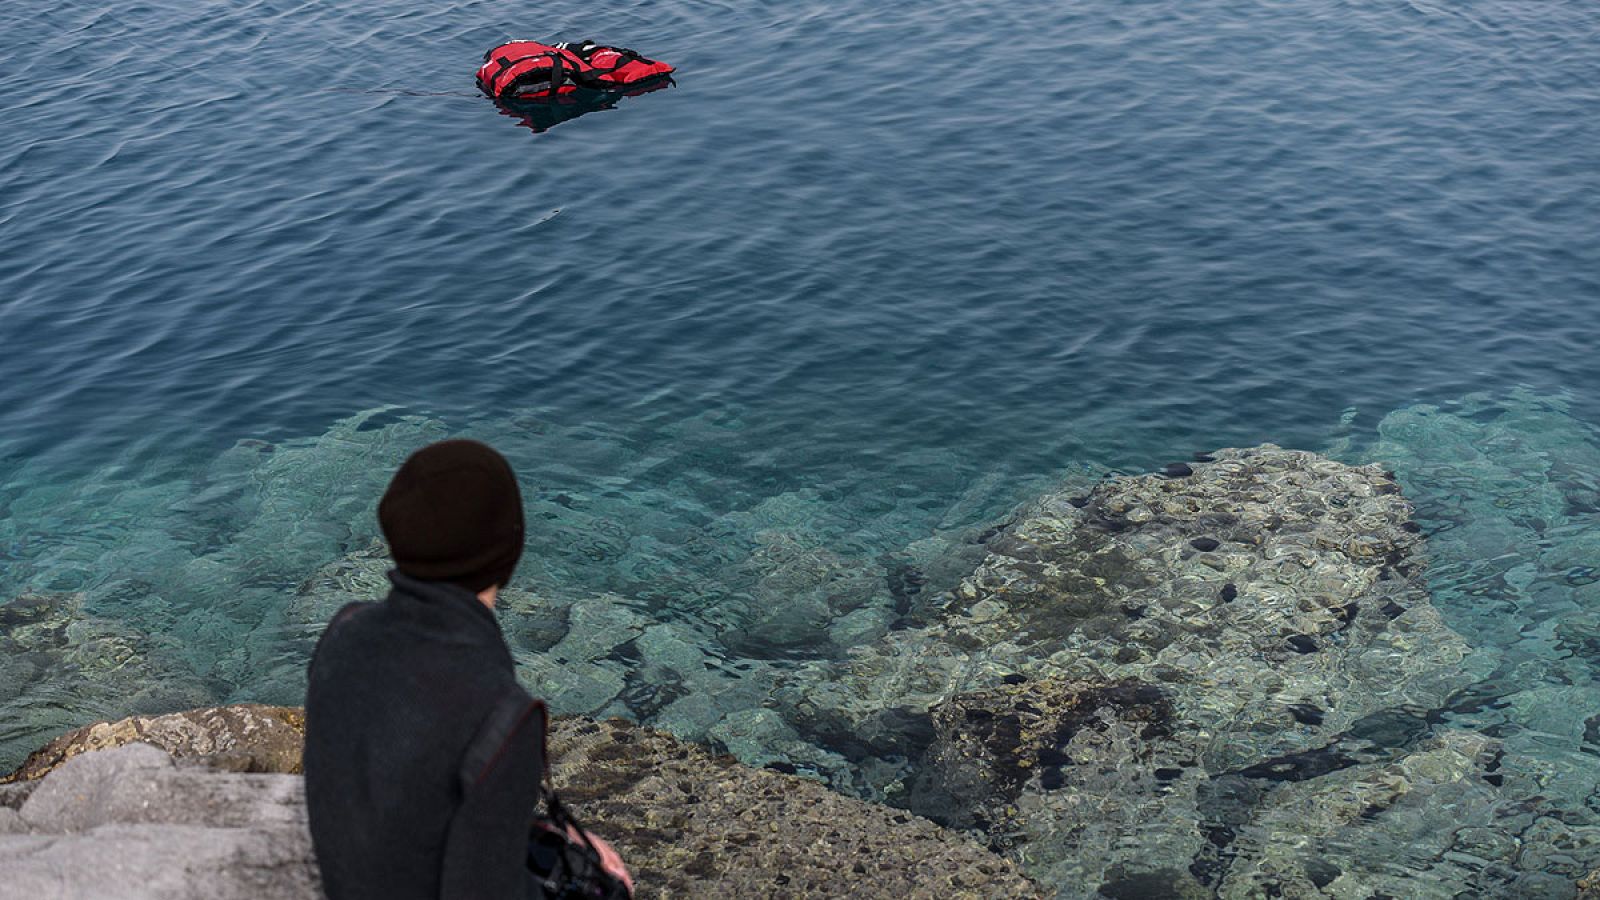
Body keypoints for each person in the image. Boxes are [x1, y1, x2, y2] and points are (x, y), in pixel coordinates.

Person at [303, 438, 631, 899]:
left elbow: (408, 788)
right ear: (510, 550)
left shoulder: (344, 631)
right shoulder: (503, 716)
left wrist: (544, 833)